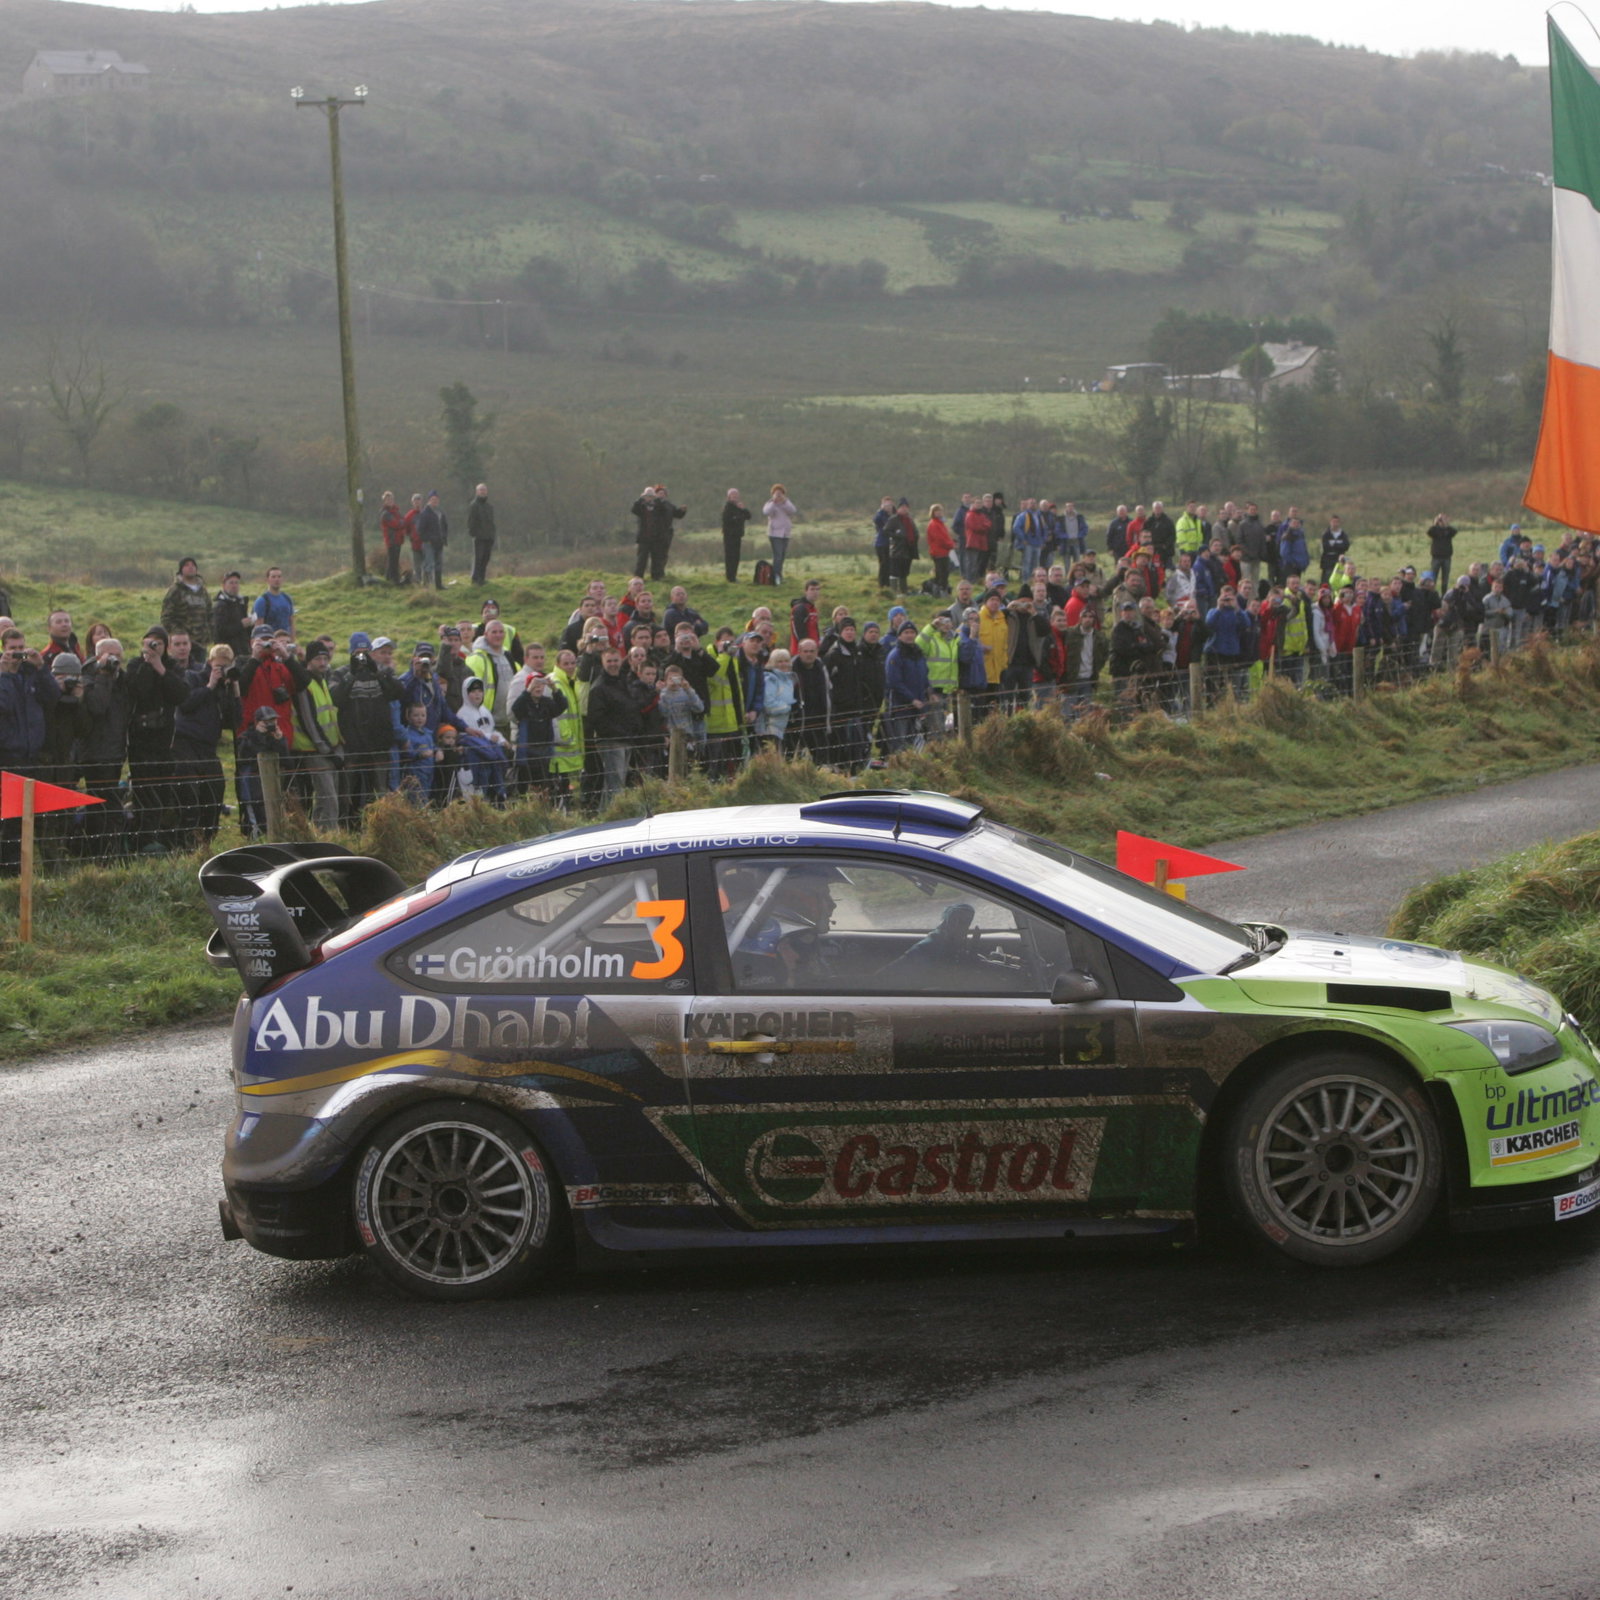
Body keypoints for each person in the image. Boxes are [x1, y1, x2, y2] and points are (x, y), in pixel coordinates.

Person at [0, 628, 61, 872]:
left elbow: (53, 696)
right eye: (12, 648)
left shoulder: (31, 674)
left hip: (32, 756)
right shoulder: (2, 675)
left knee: (26, 819)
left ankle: (20, 870)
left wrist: (41, 667)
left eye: (20, 648)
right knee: (7, 819)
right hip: (7, 756)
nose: (16, 653)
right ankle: (7, 870)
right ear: (4, 648)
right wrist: (4, 675)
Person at [292, 644, 345, 830]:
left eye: (325, 658)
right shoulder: (306, 684)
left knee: (329, 798)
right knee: (327, 798)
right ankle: (327, 838)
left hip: (329, 747)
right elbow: (309, 720)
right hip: (315, 749)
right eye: (317, 659)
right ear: (309, 661)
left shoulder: (321, 680)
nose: (323, 662)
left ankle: (325, 835)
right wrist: (326, 748)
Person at [630, 484, 686, 582]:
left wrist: (682, 511)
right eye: (647, 496)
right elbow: (634, 510)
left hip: (657, 538)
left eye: (651, 496)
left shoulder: (661, 506)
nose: (649, 498)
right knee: (641, 559)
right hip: (644, 538)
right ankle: (638, 577)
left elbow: (670, 512)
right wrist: (640, 499)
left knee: (657, 559)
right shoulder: (641, 506)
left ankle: (657, 577)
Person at [213, 571, 253, 659]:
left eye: (236, 583)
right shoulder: (220, 606)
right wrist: (241, 625)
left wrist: (250, 625)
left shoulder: (241, 603)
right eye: (231, 583)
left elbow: (246, 632)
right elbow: (219, 632)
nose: (234, 585)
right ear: (223, 585)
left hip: (243, 650)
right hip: (227, 653)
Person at [763, 485, 798, 584]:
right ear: (772, 494)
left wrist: (784, 501)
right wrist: (774, 502)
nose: (778, 496)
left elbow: (793, 510)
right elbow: (766, 512)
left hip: (785, 533)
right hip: (775, 533)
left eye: (780, 493)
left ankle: (779, 575)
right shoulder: (770, 503)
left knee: (782, 556)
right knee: (777, 555)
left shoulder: (786, 503)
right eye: (776, 493)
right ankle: (775, 576)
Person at [251, 567, 296, 642]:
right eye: (273, 577)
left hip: (286, 642)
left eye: (279, 576)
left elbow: (291, 623)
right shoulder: (262, 601)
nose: (277, 579)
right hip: (270, 642)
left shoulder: (287, 599)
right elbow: (258, 627)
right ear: (267, 580)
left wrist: (293, 642)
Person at [418, 491, 448, 590]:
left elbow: (444, 527)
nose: (435, 501)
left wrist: (444, 539)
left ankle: (438, 585)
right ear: (429, 500)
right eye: (433, 499)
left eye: (436, 499)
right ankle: (426, 586)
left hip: (439, 543)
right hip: (429, 544)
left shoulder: (440, 512)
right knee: (428, 564)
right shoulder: (424, 513)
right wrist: (428, 540)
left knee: (438, 564)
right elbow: (420, 530)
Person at [468, 483, 496, 586]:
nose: (483, 492)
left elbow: (491, 522)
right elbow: (471, 521)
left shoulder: (489, 507)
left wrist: (493, 535)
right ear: (477, 492)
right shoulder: (474, 505)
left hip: (489, 536)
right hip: (479, 537)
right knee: (478, 558)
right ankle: (475, 579)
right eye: (481, 490)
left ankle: (482, 578)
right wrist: (473, 534)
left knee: (486, 558)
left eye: (484, 490)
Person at [721, 489, 752, 583]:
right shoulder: (728, 507)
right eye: (732, 495)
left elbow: (748, 516)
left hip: (738, 535)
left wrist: (743, 509)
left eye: (736, 495)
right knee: (730, 556)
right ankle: (730, 577)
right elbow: (727, 520)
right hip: (729, 536)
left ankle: (733, 576)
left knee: (736, 556)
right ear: (729, 497)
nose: (735, 496)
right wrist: (738, 517)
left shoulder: (739, 507)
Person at [380, 491, 407, 586]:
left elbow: (403, 521)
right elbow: (396, 524)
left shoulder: (396, 511)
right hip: (391, 539)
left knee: (395, 560)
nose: (390, 501)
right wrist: (401, 523)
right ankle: (393, 580)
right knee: (392, 561)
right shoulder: (385, 513)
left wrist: (401, 523)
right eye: (387, 499)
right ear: (384, 501)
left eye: (391, 499)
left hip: (398, 539)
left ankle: (391, 579)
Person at [1428, 513, 1458, 592]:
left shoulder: (1448, 530)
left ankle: (1444, 595)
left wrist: (1446, 525)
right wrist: (1435, 523)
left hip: (1447, 558)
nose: (1441, 521)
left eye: (1442, 520)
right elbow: (1429, 532)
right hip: (1436, 558)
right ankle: (1432, 593)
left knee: (1445, 579)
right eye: (1440, 520)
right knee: (1433, 578)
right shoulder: (1435, 530)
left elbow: (1454, 532)